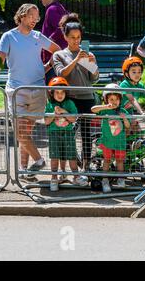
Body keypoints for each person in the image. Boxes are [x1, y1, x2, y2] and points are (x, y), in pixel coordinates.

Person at [0, 4, 61, 181]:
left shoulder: (37, 36)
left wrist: (45, 68)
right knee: (20, 132)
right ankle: (39, 161)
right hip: (17, 90)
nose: (35, 20)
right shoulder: (8, 36)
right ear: (22, 16)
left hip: (37, 89)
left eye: (37, 17)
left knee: (25, 134)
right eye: (32, 16)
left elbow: (57, 52)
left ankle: (24, 170)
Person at [53, 15, 99, 172]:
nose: (76, 41)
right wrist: (76, 59)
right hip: (70, 99)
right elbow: (62, 73)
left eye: (78, 37)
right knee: (68, 132)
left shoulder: (85, 54)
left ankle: (86, 167)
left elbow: (93, 79)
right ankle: (69, 167)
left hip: (87, 98)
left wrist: (93, 65)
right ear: (65, 37)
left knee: (86, 134)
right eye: (72, 37)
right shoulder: (59, 55)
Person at [44, 77, 88, 191]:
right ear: (52, 93)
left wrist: (64, 111)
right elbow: (46, 121)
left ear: (66, 92)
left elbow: (73, 119)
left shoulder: (70, 103)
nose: (60, 95)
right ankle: (54, 178)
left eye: (62, 92)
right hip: (54, 134)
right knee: (55, 157)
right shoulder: (49, 105)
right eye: (57, 92)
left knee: (71, 156)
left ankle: (76, 176)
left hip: (68, 133)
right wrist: (54, 114)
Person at [91, 84, 131, 193]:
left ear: (120, 100)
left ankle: (121, 179)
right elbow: (93, 109)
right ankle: (105, 180)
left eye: (116, 99)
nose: (114, 102)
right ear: (106, 99)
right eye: (111, 99)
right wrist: (105, 106)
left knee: (119, 161)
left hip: (119, 142)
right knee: (107, 161)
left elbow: (128, 126)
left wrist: (125, 119)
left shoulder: (123, 111)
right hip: (107, 142)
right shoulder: (105, 110)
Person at [40, 0, 69, 84]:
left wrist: (49, 40)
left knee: (52, 85)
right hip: (60, 54)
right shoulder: (59, 7)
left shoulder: (52, 9)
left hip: (53, 55)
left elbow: (60, 27)